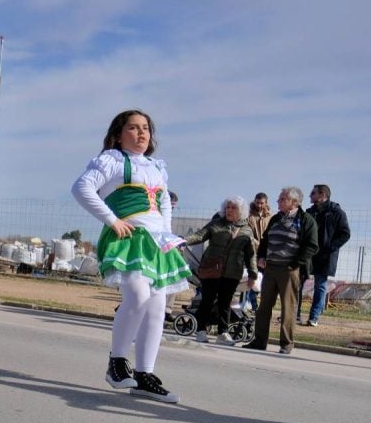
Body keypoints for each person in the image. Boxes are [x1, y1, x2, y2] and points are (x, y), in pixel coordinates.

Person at [72, 110, 190, 403]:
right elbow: (81, 188)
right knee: (137, 296)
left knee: (156, 306)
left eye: (146, 128)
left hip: (156, 244)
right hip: (127, 238)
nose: (141, 133)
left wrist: (167, 236)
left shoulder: (157, 167)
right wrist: (112, 220)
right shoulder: (111, 160)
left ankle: (144, 375)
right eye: (133, 128)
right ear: (118, 134)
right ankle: (117, 362)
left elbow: (163, 203)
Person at [244, 187, 318, 355]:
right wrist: (262, 256)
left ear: (294, 202)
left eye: (282, 199)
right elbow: (265, 240)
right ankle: (259, 341)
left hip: (289, 271)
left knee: (288, 308)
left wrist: (295, 264)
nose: (278, 202)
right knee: (263, 307)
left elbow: (312, 246)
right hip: (270, 268)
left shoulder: (306, 220)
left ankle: (286, 344)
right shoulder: (276, 219)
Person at [180, 196, 258, 345]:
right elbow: (199, 236)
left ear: (241, 211)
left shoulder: (247, 230)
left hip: (232, 273)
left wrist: (253, 274)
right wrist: (183, 240)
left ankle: (223, 333)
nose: (229, 210)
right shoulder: (216, 224)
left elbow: (251, 254)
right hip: (211, 270)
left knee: (225, 303)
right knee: (207, 301)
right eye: (227, 207)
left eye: (233, 207)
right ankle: (201, 331)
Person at [300, 184, 351, 326]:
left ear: (322, 195)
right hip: (308, 254)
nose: (310, 196)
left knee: (320, 285)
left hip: (325, 255)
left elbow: (345, 234)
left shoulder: (336, 212)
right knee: (298, 282)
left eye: (313, 193)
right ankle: (295, 315)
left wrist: (330, 247)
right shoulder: (309, 213)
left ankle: (313, 317)